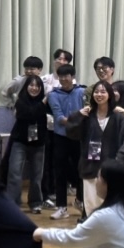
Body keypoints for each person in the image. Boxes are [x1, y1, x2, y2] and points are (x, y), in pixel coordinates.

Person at [78, 81, 124, 217]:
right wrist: (78, 116)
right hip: (91, 167)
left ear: (110, 95)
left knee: (112, 207)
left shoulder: (119, 117)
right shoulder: (87, 116)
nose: (99, 95)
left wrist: (118, 161)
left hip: (112, 169)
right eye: (96, 92)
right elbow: (72, 133)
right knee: (91, 207)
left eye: (103, 92)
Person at [46, 64, 85, 220]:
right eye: (60, 76)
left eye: (66, 76)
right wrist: (77, 120)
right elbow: (59, 117)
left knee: (81, 170)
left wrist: (77, 122)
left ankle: (80, 200)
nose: (63, 79)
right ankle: (61, 207)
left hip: (79, 137)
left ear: (72, 76)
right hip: (61, 137)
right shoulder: (53, 95)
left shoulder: (82, 92)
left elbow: (87, 113)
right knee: (60, 172)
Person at [4, 74, 47, 213]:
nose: (34, 88)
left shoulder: (46, 102)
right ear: (26, 87)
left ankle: (35, 202)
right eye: (31, 85)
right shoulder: (20, 101)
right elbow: (30, 114)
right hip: (20, 141)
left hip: (39, 143)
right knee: (15, 172)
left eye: (37, 86)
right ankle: (13, 203)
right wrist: (43, 103)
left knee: (37, 175)